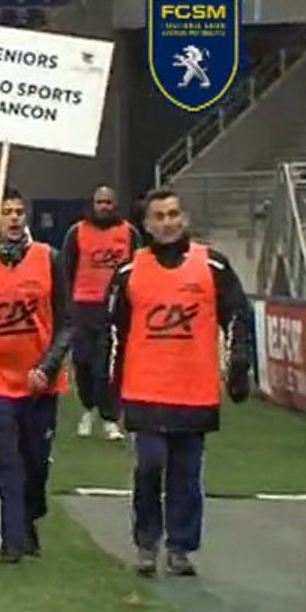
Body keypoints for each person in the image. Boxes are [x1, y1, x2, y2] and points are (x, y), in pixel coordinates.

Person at [96, 188, 252, 578]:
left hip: (194, 391)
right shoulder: (129, 273)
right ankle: (147, 541)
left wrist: (238, 367)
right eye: (159, 216)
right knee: (149, 465)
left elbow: (237, 317)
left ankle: (181, 546)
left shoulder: (213, 266)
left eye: (173, 214)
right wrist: (110, 392)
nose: (168, 222)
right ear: (146, 225)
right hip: (144, 390)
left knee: (186, 472)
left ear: (182, 218)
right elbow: (112, 334)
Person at [0, 188, 72, 563]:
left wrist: (48, 365)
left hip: (39, 380)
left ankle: (28, 518)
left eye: (20, 211)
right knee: (8, 460)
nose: (15, 218)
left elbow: (67, 322)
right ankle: (11, 538)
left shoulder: (48, 258)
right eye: (7, 212)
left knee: (36, 462)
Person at [61, 185, 140, 440]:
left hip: (115, 307)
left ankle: (110, 418)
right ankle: (87, 408)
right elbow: (66, 270)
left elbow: (140, 269)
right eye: (99, 202)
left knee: (108, 364)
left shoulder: (129, 233)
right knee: (82, 361)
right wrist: (67, 306)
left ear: (115, 204)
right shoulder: (77, 232)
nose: (104, 206)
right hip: (83, 305)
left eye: (108, 202)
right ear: (92, 204)